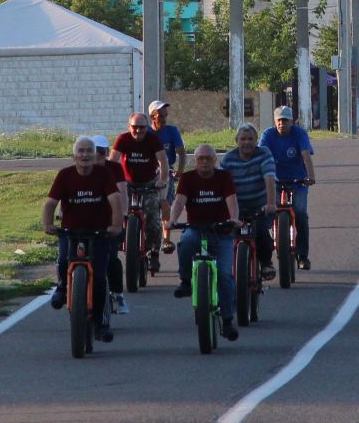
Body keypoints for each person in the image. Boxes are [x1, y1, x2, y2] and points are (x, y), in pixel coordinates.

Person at [42, 136, 126, 344]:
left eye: (89, 151)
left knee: (99, 278)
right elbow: (50, 203)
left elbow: (115, 200)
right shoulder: (65, 175)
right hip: (71, 231)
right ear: (74, 156)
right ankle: (62, 288)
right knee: (63, 261)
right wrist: (48, 225)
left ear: (95, 154)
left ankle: (102, 323)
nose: (85, 155)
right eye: (81, 151)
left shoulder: (105, 174)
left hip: (99, 233)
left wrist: (116, 226)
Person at [165, 143, 241, 341]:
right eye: (201, 159)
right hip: (196, 228)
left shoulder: (223, 177)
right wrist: (172, 220)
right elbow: (179, 201)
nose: (205, 162)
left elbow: (232, 201)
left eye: (209, 158)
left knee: (225, 275)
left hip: (221, 231)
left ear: (215, 161)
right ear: (195, 161)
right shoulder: (188, 178)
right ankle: (186, 281)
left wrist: (233, 219)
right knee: (186, 242)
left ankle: (227, 320)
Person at [114, 110, 169, 292]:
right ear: (129, 127)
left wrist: (162, 180)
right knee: (117, 213)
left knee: (153, 217)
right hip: (127, 184)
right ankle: (118, 242)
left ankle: (153, 251)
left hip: (148, 184)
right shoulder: (123, 139)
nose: (138, 131)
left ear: (147, 127)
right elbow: (112, 162)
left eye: (142, 128)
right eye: (135, 128)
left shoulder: (153, 140)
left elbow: (163, 162)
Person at [219, 123, 278, 282]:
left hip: (261, 205)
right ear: (236, 140)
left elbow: (269, 179)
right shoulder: (228, 159)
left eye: (250, 139)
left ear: (256, 140)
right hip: (235, 208)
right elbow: (219, 185)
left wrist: (270, 203)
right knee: (225, 234)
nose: (247, 142)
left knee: (261, 232)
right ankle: (226, 267)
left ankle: (266, 263)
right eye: (243, 139)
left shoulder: (264, 154)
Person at [261, 105, 317, 268]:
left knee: (300, 212)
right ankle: (267, 249)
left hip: (298, 180)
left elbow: (305, 155)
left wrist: (310, 176)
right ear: (275, 121)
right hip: (274, 180)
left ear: (291, 121)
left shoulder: (299, 133)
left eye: (285, 121)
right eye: (279, 120)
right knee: (269, 211)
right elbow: (261, 153)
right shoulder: (268, 134)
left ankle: (302, 255)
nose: (282, 124)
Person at [91, 135, 130, 313]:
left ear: (107, 153)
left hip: (109, 221)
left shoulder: (114, 168)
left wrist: (122, 215)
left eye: (101, 152)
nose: (98, 155)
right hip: (86, 222)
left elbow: (122, 191)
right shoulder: (80, 168)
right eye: (94, 151)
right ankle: (69, 289)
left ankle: (118, 294)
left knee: (111, 258)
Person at [148, 99, 186, 198]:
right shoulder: (146, 132)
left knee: (167, 202)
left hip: (167, 170)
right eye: (160, 116)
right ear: (152, 117)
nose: (164, 119)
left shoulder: (172, 131)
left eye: (165, 116)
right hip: (148, 171)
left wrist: (179, 171)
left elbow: (181, 152)